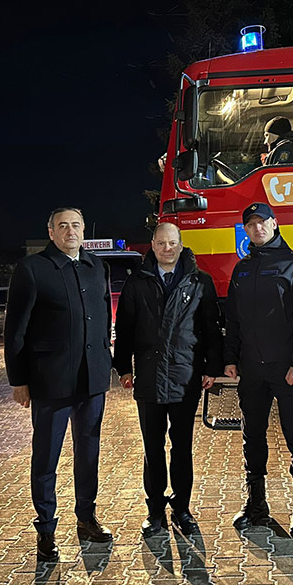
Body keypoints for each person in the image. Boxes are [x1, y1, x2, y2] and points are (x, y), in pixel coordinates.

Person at [5, 207, 114, 560]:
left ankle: (87, 517)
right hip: (50, 382)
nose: (70, 231)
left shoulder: (97, 266)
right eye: (63, 226)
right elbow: (15, 330)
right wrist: (19, 380)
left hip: (91, 379)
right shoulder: (32, 269)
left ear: (83, 230)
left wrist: (105, 359)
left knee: (89, 453)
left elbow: (103, 318)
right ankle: (46, 529)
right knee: (46, 457)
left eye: (76, 225)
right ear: (51, 232)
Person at [113, 223, 222, 537]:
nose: (167, 248)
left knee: (182, 446)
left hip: (185, 376)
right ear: (152, 244)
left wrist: (211, 367)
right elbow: (125, 328)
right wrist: (123, 367)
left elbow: (211, 328)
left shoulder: (200, 282)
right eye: (161, 243)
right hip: (148, 377)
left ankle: (182, 508)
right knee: (152, 447)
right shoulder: (137, 282)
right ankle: (155, 510)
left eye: (172, 243)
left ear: (180, 244)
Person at [224, 202, 293, 538]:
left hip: (286, 369)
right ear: (246, 230)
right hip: (252, 369)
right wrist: (230, 358)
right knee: (252, 435)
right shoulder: (242, 269)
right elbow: (233, 319)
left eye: (262, 222)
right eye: (251, 224)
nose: (257, 228)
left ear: (274, 224)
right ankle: (256, 503)